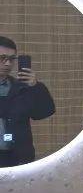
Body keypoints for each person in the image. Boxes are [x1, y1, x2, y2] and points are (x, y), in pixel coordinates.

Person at [0, 36, 56, 166]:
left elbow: (43, 113)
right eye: (2, 58)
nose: (8, 64)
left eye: (12, 59)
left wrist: (35, 86)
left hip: (17, 158)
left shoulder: (22, 88)